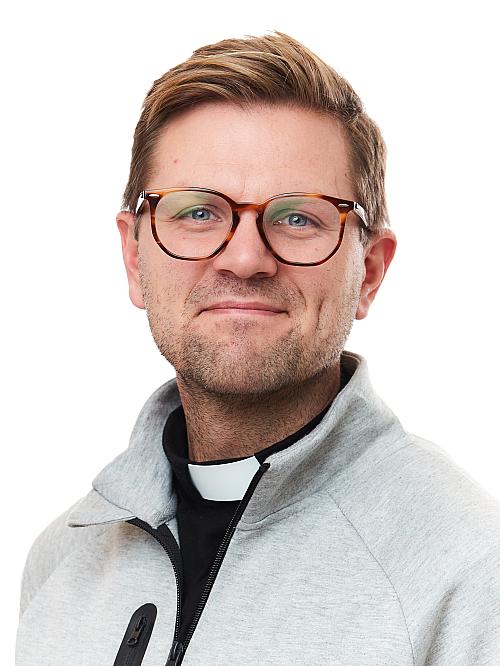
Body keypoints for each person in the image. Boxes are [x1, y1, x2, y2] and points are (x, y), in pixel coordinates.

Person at [15, 31, 500, 666]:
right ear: (134, 257)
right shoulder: (62, 562)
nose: (245, 258)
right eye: (197, 212)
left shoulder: (470, 573)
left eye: (299, 217)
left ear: (370, 272)